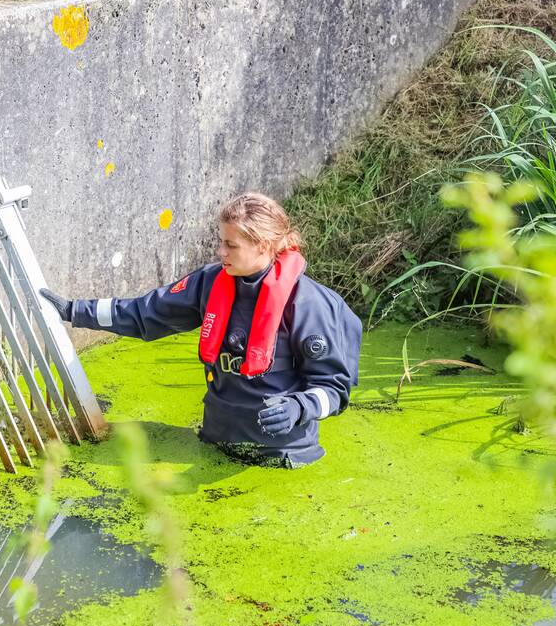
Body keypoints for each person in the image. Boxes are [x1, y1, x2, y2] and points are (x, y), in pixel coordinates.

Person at [39, 193, 363, 468]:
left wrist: (300, 407)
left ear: (263, 246)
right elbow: (143, 314)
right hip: (214, 446)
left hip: (282, 458)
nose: (220, 252)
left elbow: (335, 388)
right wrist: (73, 311)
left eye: (230, 245)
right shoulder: (209, 283)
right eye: (221, 242)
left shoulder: (311, 304)